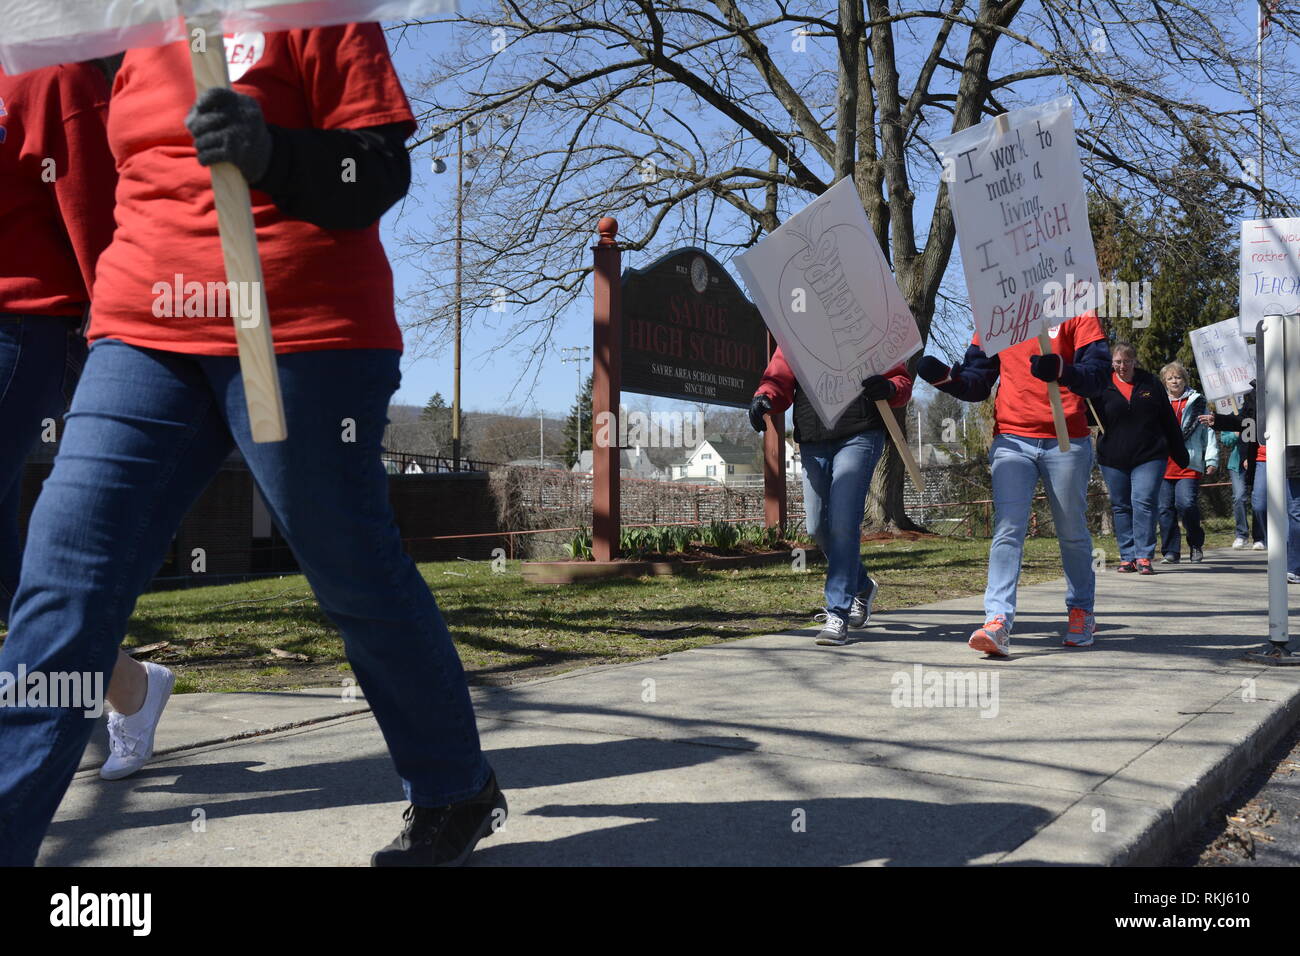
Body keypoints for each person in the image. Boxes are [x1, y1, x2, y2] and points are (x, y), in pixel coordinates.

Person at [0, 24, 504, 867]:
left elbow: (376, 172)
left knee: (350, 568)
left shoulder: (316, 13)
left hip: (294, 332)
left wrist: (274, 153)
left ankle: (454, 787)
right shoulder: (139, 34)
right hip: (141, 333)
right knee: (63, 581)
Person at [917, 313, 1112, 655]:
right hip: (1011, 439)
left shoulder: (1077, 309)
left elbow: (1098, 376)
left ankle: (1082, 610)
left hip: (1066, 440)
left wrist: (1065, 371)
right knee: (1008, 528)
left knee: (1071, 529)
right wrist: (946, 379)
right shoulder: (998, 310)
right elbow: (977, 381)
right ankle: (998, 620)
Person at [749, 351, 912, 645]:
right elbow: (779, 376)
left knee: (842, 523)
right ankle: (861, 585)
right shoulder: (796, 324)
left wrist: (890, 388)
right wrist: (766, 397)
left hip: (860, 432)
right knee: (817, 529)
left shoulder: (864, 320)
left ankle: (838, 612)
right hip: (814, 438)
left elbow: (900, 379)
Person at [1088, 343, 1189, 574]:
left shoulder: (1150, 383)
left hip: (1149, 455)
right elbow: (1088, 416)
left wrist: (1179, 452)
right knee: (1121, 506)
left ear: (1134, 361)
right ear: (1111, 364)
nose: (1122, 366)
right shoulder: (1101, 384)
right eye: (1117, 362)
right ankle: (1128, 556)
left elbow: (1168, 420)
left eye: (1126, 361)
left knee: (1143, 501)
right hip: (1113, 456)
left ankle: (1144, 555)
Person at [1204, 387, 1300, 582]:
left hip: (1293, 456)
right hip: (1264, 457)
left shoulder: (1293, 380)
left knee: (1294, 511)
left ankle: (1292, 566)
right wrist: (1220, 421)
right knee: (1260, 504)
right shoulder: (1255, 391)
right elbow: (1247, 422)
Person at [1156, 362, 1217, 564]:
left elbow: (1207, 432)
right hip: (1163, 464)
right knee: (1165, 509)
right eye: (1170, 378)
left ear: (1185, 380)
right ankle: (1171, 550)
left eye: (1178, 377)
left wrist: (1211, 459)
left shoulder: (1198, 402)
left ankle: (1195, 544)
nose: (1175, 381)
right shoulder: (1158, 402)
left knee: (1186, 503)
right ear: (1164, 381)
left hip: (1189, 462)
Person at [1218, 417, 1263, 550]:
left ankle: (1260, 537)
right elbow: (1225, 439)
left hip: (1258, 461)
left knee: (1259, 500)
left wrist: (1251, 457)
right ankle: (1241, 535)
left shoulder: (1256, 411)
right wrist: (1237, 432)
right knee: (1239, 497)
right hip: (1236, 464)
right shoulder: (1230, 414)